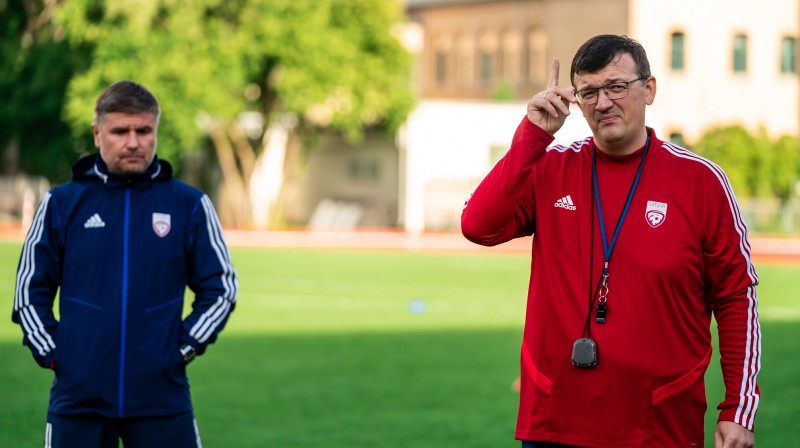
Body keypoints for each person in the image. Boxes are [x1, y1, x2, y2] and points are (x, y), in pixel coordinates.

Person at [461, 35, 760, 448]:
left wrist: (738, 409)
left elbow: (736, 297)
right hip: (555, 421)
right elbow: (478, 225)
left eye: (616, 86)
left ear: (649, 89)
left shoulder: (701, 182)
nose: (602, 103)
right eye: (588, 92)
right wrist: (532, 135)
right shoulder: (552, 168)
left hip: (659, 425)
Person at [12, 80, 238, 447]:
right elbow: (28, 293)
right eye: (120, 131)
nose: (133, 142)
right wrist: (56, 355)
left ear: (155, 131)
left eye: (144, 130)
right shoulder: (62, 203)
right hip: (78, 401)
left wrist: (181, 346)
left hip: (161, 399)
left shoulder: (189, 205)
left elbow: (221, 288)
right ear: (97, 133)